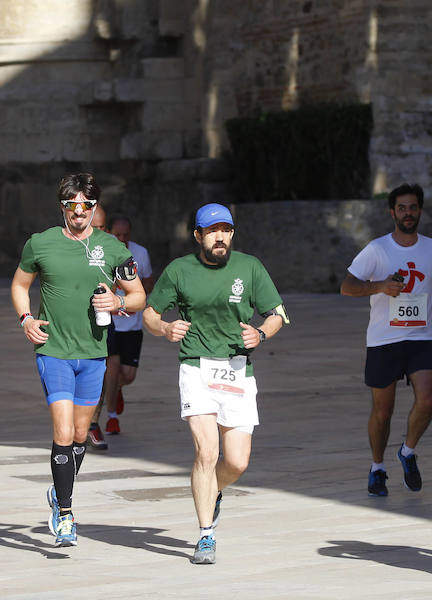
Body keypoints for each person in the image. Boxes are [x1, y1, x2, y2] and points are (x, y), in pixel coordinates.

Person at [143, 202, 288, 565]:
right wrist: (164, 328)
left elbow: (277, 313)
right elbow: (149, 312)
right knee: (207, 453)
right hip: (197, 368)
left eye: (226, 229)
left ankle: (213, 491)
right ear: (198, 236)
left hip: (238, 371)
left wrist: (261, 334)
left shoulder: (250, 267)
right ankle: (205, 535)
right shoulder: (179, 271)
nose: (220, 236)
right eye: (212, 231)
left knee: (237, 462)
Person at [10, 173, 145, 547]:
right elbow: (20, 285)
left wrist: (118, 302)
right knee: (63, 432)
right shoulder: (41, 243)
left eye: (87, 205)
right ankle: (65, 512)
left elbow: (138, 296)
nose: (80, 212)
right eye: (72, 205)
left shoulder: (112, 248)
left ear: (95, 207)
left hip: (94, 354)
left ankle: (58, 489)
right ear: (63, 207)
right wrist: (26, 319)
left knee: (81, 434)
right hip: (53, 350)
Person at [340, 183, 432, 497]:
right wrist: (380, 286)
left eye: (413, 207)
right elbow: (348, 286)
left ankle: (408, 452)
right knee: (383, 412)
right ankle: (377, 467)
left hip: (423, 336)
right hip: (384, 340)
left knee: (429, 399)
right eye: (402, 208)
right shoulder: (377, 249)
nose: (408, 213)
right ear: (392, 212)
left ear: (420, 210)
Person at [87, 213, 154, 449]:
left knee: (127, 376)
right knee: (110, 369)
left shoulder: (137, 253)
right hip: (107, 322)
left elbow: (145, 284)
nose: (122, 239)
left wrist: (129, 300)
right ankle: (106, 420)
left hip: (131, 322)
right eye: (117, 234)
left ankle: (114, 393)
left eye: (126, 235)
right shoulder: (96, 250)